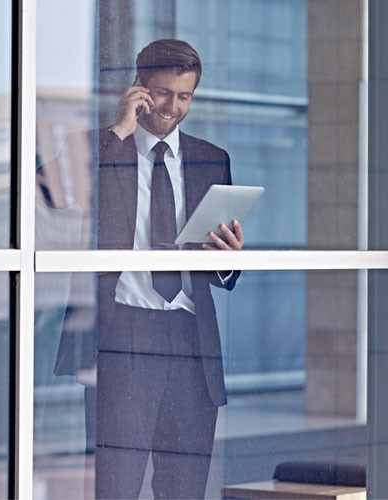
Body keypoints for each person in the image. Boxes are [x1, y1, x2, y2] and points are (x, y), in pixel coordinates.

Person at [94, 39, 243, 499]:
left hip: (190, 340)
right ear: (138, 88)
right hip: (126, 335)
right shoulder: (105, 148)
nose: (172, 107)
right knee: (117, 486)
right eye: (162, 93)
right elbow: (63, 203)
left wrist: (228, 259)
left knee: (184, 490)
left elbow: (223, 274)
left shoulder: (211, 158)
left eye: (184, 96)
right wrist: (118, 133)